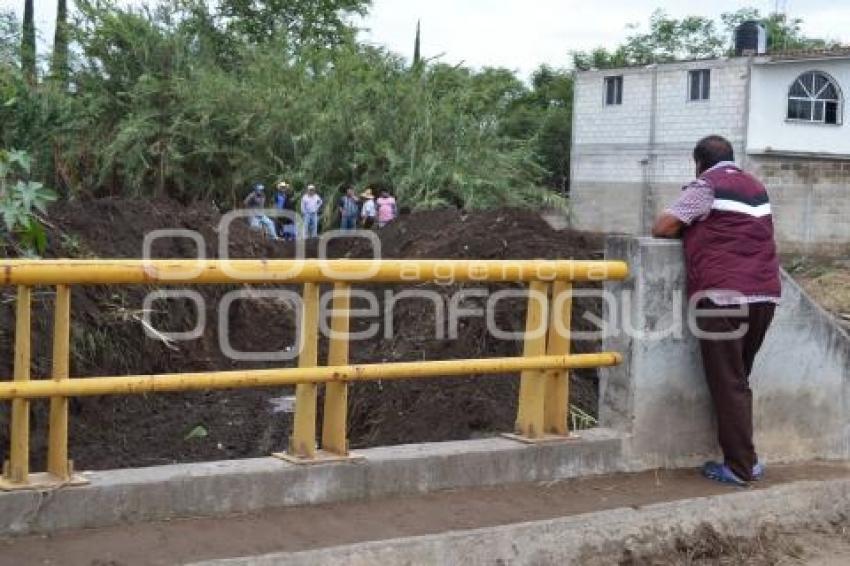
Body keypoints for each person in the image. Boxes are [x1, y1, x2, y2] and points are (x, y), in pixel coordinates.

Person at [652, 135, 780, 486]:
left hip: (724, 298)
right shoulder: (756, 186)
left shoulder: (707, 185)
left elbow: (663, 227)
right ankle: (746, 460)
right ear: (732, 158)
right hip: (765, 296)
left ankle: (740, 468)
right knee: (739, 381)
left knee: (728, 383)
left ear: (699, 162)